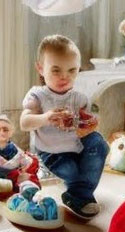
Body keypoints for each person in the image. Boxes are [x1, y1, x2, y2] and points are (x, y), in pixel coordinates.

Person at [20, 34, 109, 219]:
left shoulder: (79, 98)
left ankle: (76, 194)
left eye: (71, 71)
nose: (65, 77)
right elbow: (24, 122)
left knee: (99, 143)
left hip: (76, 147)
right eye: (56, 70)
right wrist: (46, 117)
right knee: (71, 171)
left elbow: (85, 125)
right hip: (52, 153)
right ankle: (81, 195)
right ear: (40, 69)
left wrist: (89, 125)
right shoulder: (38, 96)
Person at [0, 114, 40, 193]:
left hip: (10, 175)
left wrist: (21, 167)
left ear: (11, 132)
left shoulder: (13, 148)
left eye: (5, 130)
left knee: (20, 175)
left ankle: (27, 188)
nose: (2, 132)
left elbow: (18, 163)